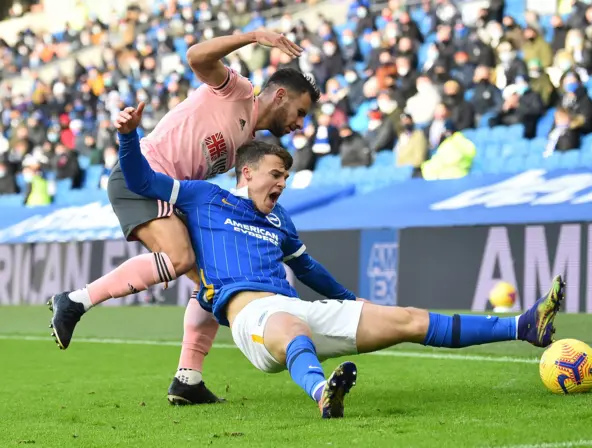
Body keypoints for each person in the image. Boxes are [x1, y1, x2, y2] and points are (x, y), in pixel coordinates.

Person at [113, 104, 566, 419]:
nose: (282, 185)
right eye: (276, 175)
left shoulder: (281, 220)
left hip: (299, 309)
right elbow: (139, 179)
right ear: (246, 173)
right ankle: (322, 393)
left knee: (407, 319)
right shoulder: (204, 197)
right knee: (291, 329)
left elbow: (309, 271)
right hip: (253, 318)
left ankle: (523, 327)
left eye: (287, 178)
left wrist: (350, 302)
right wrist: (128, 134)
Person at [47, 30, 320, 406]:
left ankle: (187, 379)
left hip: (168, 194)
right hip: (142, 175)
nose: (300, 123)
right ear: (280, 95)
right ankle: (75, 300)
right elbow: (195, 56)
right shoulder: (237, 90)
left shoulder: (249, 144)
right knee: (181, 258)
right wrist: (256, 37)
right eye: (300, 112)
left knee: (215, 280)